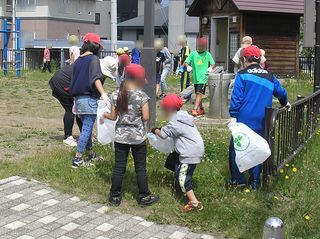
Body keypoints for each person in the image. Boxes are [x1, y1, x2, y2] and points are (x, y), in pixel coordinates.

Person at [229, 45, 291, 189]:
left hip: (243, 121)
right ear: (259, 59)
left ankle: (238, 181)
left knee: (237, 149)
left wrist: (233, 116)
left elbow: (236, 99)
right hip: (263, 121)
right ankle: (255, 182)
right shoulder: (269, 76)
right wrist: (285, 103)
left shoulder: (242, 75)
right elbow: (281, 93)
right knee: (257, 150)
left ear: (244, 59)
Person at [100, 64, 159, 207]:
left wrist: (105, 115)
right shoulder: (142, 96)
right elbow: (146, 118)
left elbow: (114, 117)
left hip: (121, 137)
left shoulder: (116, 94)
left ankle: (115, 197)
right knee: (140, 168)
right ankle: (144, 196)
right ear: (137, 79)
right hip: (138, 137)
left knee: (119, 167)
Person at [151, 94, 204, 212]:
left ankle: (194, 203)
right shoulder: (183, 117)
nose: (164, 111)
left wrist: (154, 130)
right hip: (195, 149)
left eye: (164, 109)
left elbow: (163, 135)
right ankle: (181, 189)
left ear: (169, 109)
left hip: (189, 152)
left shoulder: (175, 121)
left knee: (183, 178)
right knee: (175, 162)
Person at [70, 32, 109, 168]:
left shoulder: (77, 61)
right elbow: (95, 78)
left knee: (85, 129)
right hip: (89, 98)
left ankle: (90, 154)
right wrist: (104, 94)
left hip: (78, 99)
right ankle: (77, 159)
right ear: (95, 45)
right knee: (87, 129)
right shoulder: (93, 59)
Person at [49, 65, 82, 147]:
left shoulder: (92, 64)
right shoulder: (94, 68)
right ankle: (68, 137)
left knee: (78, 109)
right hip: (62, 82)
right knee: (71, 109)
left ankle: (84, 134)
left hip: (63, 79)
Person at [185, 37, 215, 116]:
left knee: (199, 93)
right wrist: (188, 66)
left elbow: (213, 63)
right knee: (198, 93)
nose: (201, 47)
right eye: (200, 45)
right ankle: (201, 108)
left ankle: (195, 109)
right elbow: (186, 62)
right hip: (195, 77)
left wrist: (210, 68)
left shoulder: (207, 54)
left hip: (203, 77)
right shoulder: (193, 54)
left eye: (203, 46)